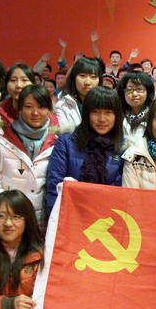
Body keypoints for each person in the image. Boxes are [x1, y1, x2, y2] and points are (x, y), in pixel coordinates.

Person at [0, 85, 58, 228]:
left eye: (41, 107)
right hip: (8, 225)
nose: (35, 113)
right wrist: (14, 214)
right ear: (20, 109)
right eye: (28, 107)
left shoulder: (56, 143)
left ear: (49, 110)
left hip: (41, 226)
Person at [46, 87, 123, 215]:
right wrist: (56, 221)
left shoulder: (122, 149)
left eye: (108, 112)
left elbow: (119, 193)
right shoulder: (67, 142)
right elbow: (55, 187)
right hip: (69, 217)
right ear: (87, 114)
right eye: (96, 112)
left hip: (106, 220)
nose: (102, 119)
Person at [54, 57, 103, 130]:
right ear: (74, 78)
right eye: (82, 76)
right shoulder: (62, 106)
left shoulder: (106, 103)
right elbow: (64, 134)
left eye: (93, 77)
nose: (87, 82)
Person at [117, 71, 154, 145]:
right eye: (129, 89)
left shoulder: (154, 115)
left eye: (139, 89)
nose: (134, 94)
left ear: (148, 91)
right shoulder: (117, 116)